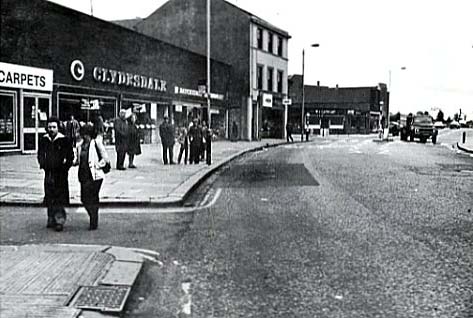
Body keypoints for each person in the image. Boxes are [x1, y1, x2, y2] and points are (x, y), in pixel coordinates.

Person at [37, 117, 74, 232]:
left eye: (54, 127)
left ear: (58, 128)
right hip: (49, 172)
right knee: (49, 195)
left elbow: (70, 157)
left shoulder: (64, 140)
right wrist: (43, 164)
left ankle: (59, 220)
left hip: (60, 174)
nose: (51, 129)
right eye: (49, 127)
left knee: (59, 196)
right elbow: (40, 154)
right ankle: (50, 217)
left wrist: (65, 167)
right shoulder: (44, 140)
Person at [74, 124, 110, 230]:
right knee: (84, 199)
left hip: (95, 175)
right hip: (83, 175)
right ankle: (92, 216)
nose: (85, 137)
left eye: (87, 135)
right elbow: (77, 160)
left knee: (93, 198)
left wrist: (97, 165)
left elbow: (105, 158)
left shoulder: (96, 144)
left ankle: (93, 220)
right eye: (84, 134)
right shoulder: (79, 145)